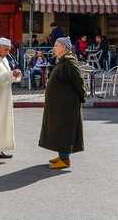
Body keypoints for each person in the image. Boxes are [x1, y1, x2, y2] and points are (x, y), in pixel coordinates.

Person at [39, 37, 85, 170]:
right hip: (60, 105)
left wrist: (82, 98)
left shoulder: (70, 62)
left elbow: (79, 82)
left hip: (67, 106)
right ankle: (61, 156)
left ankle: (65, 160)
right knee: (59, 130)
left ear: (64, 48)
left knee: (65, 131)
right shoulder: (62, 61)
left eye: (56, 46)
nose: (54, 48)